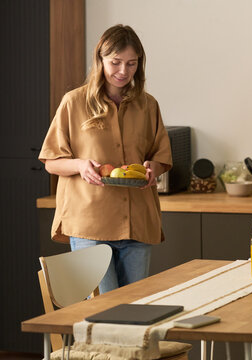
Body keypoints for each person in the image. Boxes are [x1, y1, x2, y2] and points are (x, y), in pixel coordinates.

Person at [38, 24, 172, 294]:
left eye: (132, 64)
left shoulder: (148, 105)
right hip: (90, 226)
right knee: (104, 314)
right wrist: (79, 165)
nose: (124, 71)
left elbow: (160, 156)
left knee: (136, 313)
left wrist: (151, 169)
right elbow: (51, 160)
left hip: (137, 225)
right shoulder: (73, 103)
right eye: (116, 62)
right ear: (100, 59)